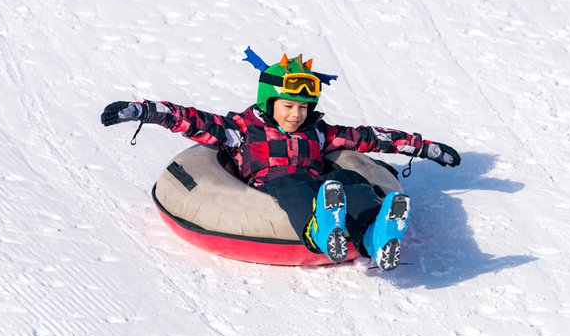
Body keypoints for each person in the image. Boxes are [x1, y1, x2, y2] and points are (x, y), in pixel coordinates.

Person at [101, 47, 460, 271]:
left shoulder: (318, 133)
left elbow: (367, 137)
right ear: (268, 103)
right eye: (288, 106)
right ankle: (318, 231)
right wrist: (142, 110)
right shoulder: (240, 130)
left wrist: (423, 147)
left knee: (352, 182)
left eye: (303, 107)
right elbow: (188, 119)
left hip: (322, 184)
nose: (296, 115)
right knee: (295, 188)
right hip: (274, 186)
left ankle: (376, 239)